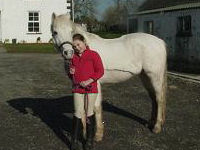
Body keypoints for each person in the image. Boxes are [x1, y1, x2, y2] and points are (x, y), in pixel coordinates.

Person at [68, 33, 104, 150]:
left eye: (78, 44)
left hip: (91, 89)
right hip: (77, 88)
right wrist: (71, 72)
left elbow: (100, 71)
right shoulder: (73, 58)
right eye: (74, 46)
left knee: (89, 112)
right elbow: (71, 75)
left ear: (84, 42)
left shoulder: (93, 55)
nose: (77, 48)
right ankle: (74, 140)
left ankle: (89, 141)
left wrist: (89, 80)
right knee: (77, 112)